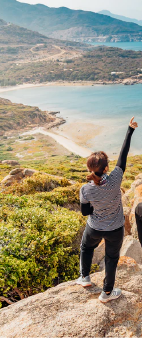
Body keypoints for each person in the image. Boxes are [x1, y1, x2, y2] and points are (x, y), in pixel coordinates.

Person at [77, 117, 138, 303]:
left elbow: (85, 212)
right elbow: (123, 156)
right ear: (107, 168)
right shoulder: (115, 179)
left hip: (94, 227)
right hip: (115, 229)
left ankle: (85, 278)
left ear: (89, 168)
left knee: (86, 248)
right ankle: (107, 293)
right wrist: (130, 130)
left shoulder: (86, 189)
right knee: (111, 259)